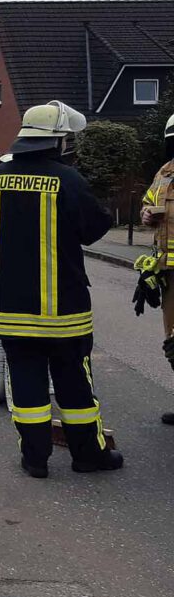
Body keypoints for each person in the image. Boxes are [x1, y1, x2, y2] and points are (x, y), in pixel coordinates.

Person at [0, 100, 121, 478]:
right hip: (64, 310)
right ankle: (87, 456)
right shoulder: (68, 180)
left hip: (9, 307)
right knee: (74, 385)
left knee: (26, 384)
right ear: (58, 141)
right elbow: (94, 229)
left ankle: (35, 459)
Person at [140, 112, 174, 425]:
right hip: (168, 271)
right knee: (172, 341)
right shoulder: (164, 172)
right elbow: (147, 202)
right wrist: (147, 214)